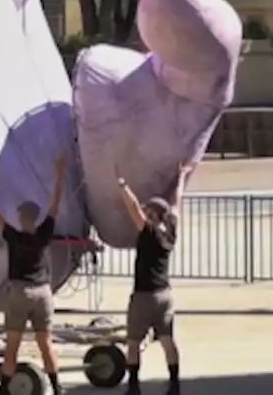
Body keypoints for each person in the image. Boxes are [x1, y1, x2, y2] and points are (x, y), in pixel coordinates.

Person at [0, 156, 68, 395]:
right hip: (43, 292)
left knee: (12, 346)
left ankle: (3, 391)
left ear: (22, 217)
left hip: (20, 292)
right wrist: (60, 172)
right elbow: (56, 201)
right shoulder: (44, 233)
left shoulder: (13, 236)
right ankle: (57, 388)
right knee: (46, 344)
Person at [116, 161, 195, 395]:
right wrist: (181, 176)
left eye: (148, 210)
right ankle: (174, 384)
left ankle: (133, 387)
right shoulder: (170, 230)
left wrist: (122, 184)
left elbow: (132, 208)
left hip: (144, 296)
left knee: (133, 342)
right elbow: (176, 202)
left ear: (153, 215)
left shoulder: (148, 231)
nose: (145, 212)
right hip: (165, 295)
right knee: (167, 340)